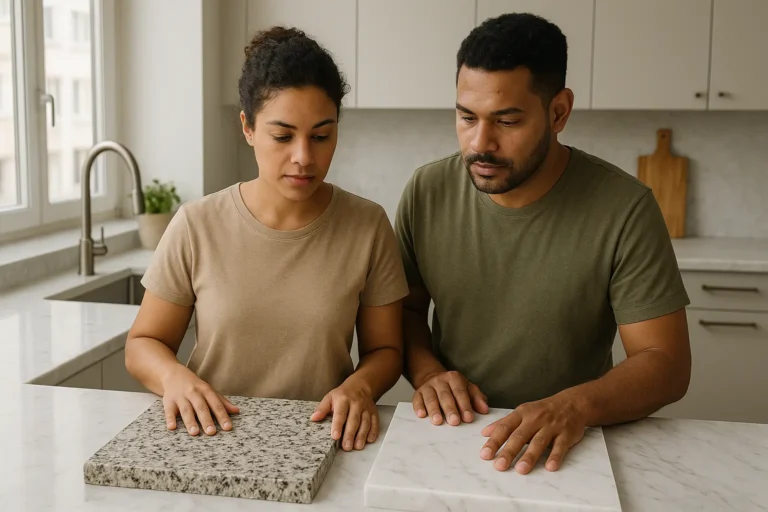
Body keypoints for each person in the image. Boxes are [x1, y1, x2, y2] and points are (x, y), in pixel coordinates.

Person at [395, 13, 691, 474]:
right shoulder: (426, 191)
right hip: (455, 436)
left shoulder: (624, 208)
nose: (480, 143)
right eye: (466, 117)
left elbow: (666, 363)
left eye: (507, 121)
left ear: (559, 112)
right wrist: (428, 373)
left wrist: (573, 407)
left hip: (572, 443)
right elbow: (406, 312)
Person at [125, 27, 408, 452]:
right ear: (248, 128)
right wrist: (174, 378)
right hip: (210, 436)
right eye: (282, 136)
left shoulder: (367, 226)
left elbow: (386, 349)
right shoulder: (196, 224)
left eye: (321, 135)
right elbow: (143, 344)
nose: (304, 157)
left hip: (323, 440)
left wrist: (360, 387)